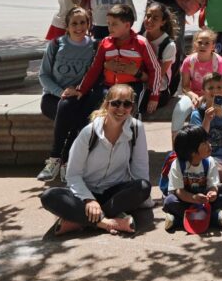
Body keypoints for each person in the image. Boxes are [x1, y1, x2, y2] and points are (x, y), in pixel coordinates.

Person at [40, 84, 150, 237]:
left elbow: (140, 167)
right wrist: (89, 200)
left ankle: (80, 220)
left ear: (132, 107)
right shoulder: (89, 132)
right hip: (84, 192)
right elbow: (73, 175)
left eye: (127, 104)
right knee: (48, 196)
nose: (121, 108)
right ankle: (107, 222)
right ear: (107, 104)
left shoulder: (136, 128)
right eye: (116, 103)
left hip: (114, 192)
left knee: (143, 186)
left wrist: (143, 199)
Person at [37, 6, 99, 182]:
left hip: (79, 97)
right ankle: (61, 160)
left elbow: (96, 75)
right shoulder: (56, 45)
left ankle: (60, 161)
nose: (79, 27)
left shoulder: (95, 46)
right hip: (52, 97)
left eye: (82, 23)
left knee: (75, 113)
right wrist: (61, 92)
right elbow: (43, 75)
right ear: (67, 26)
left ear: (88, 24)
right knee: (69, 111)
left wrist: (79, 91)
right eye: (74, 23)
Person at [66, 4, 160, 115]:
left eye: (114, 24)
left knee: (128, 112)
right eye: (108, 23)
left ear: (127, 25)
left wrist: (154, 96)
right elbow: (95, 68)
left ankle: (133, 122)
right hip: (108, 86)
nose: (110, 27)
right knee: (88, 111)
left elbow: (156, 69)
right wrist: (81, 90)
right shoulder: (105, 42)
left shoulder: (141, 43)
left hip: (132, 87)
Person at [163, 125, 222, 233]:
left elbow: (213, 185)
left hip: (203, 201)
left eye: (208, 141)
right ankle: (212, 218)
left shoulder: (209, 162)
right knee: (169, 201)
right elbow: (179, 191)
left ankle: (178, 220)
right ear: (192, 152)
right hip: (185, 200)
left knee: (220, 198)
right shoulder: (178, 164)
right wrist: (194, 198)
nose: (209, 145)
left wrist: (212, 193)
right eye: (204, 143)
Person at [172, 28, 222, 142]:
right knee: (178, 112)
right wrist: (193, 96)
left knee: (208, 116)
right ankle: (176, 146)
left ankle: (210, 144)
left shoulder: (219, 62)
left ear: (213, 46)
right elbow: (185, 86)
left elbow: (220, 88)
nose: (203, 45)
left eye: (207, 43)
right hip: (194, 95)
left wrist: (205, 97)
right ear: (195, 44)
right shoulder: (189, 61)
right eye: (200, 42)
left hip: (214, 95)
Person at [141, 3, 178, 111]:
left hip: (158, 89)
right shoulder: (139, 37)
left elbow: (158, 75)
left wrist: (137, 73)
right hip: (140, 82)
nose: (149, 20)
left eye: (155, 18)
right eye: (148, 16)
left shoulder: (169, 45)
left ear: (163, 22)